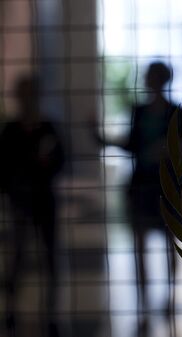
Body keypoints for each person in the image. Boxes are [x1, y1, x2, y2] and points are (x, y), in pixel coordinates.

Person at [96, 62, 178, 332]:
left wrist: (166, 151)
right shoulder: (140, 111)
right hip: (143, 186)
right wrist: (102, 139)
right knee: (142, 245)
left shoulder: (175, 112)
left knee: (169, 244)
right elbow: (132, 144)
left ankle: (169, 296)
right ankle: (147, 302)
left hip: (166, 187)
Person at [0, 75, 64, 337]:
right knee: (18, 257)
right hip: (20, 202)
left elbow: (60, 161)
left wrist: (43, 166)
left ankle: (51, 312)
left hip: (43, 200)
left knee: (49, 258)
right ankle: (12, 309)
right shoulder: (11, 130)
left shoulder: (47, 126)